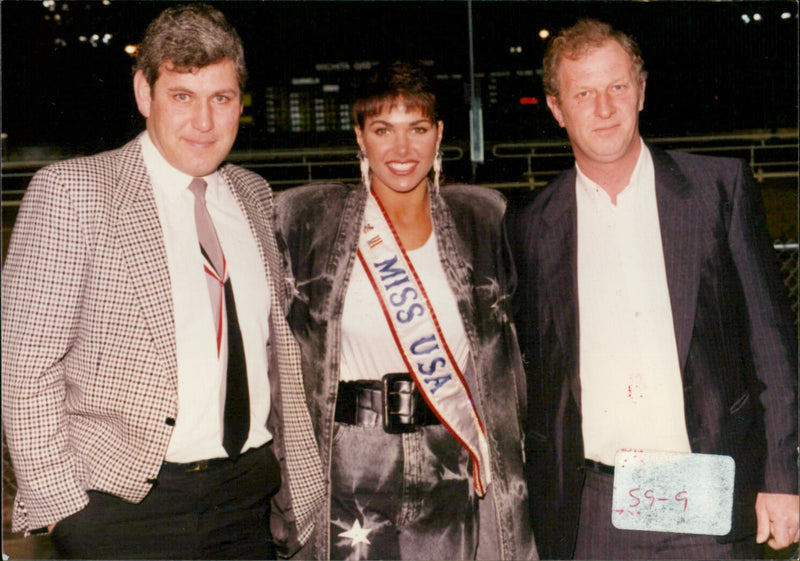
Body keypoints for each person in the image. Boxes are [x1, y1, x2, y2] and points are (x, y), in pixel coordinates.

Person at [1, 4, 324, 559]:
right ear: (144, 94)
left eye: (220, 99)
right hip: (121, 509)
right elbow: (23, 364)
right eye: (182, 96)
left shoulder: (253, 194)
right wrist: (64, 510)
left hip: (246, 501)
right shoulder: (74, 194)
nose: (204, 122)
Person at [509, 18, 799, 560]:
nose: (603, 108)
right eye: (584, 93)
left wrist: (784, 477)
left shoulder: (718, 191)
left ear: (641, 91)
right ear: (556, 108)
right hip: (593, 505)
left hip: (703, 488)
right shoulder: (531, 225)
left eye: (617, 87)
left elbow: (774, 350)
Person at [273, 61, 538, 561]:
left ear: (439, 135)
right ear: (360, 136)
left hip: (450, 453)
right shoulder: (306, 222)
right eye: (382, 130)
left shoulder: (485, 219)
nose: (401, 150)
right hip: (351, 458)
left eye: (417, 129)